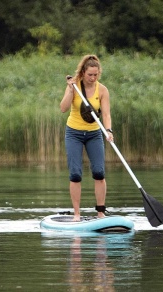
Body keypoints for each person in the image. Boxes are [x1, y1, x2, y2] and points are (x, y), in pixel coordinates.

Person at [59, 54, 114, 221]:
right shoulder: (74, 86)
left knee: (99, 172)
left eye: (96, 74)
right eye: (90, 74)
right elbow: (63, 108)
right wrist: (70, 90)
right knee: (75, 174)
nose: (93, 78)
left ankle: (100, 212)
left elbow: (106, 113)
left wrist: (108, 130)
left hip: (94, 133)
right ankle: (77, 214)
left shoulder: (102, 90)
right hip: (74, 133)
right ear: (83, 72)